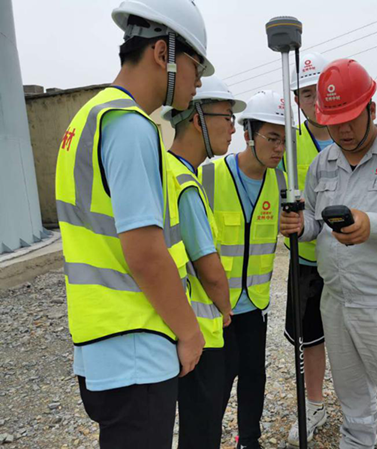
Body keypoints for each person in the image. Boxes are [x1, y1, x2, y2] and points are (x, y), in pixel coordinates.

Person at [54, 0, 213, 447]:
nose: (200, 80)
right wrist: (190, 332)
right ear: (163, 54)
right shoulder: (130, 126)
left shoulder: (87, 118)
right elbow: (144, 252)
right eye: (196, 65)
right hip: (136, 346)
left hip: (100, 344)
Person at [280, 58, 377, 449]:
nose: (344, 131)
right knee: (353, 402)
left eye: (351, 119)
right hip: (336, 301)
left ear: (371, 108)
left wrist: (374, 225)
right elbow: (316, 222)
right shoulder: (322, 165)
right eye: (334, 122)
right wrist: (302, 227)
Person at [283, 52, 377, 446]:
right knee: (311, 337)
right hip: (307, 259)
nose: (312, 101)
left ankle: (373, 408)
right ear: (295, 99)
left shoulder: (355, 134)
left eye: (317, 92)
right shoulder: (289, 143)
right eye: (304, 94)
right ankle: (314, 404)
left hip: (357, 257)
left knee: (365, 338)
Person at [198, 90, 287, 449]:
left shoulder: (281, 182)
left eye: (285, 140)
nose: (280, 148)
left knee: (254, 376)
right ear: (249, 134)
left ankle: (248, 440)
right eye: (273, 138)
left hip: (255, 304)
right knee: (216, 383)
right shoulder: (208, 175)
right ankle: (206, 440)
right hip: (215, 307)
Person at [161, 75, 246, 449]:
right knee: (202, 429)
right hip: (201, 333)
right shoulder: (186, 184)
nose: (233, 128)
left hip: (171, 326)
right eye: (227, 117)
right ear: (197, 119)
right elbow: (209, 269)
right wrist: (225, 309)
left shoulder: (165, 170)